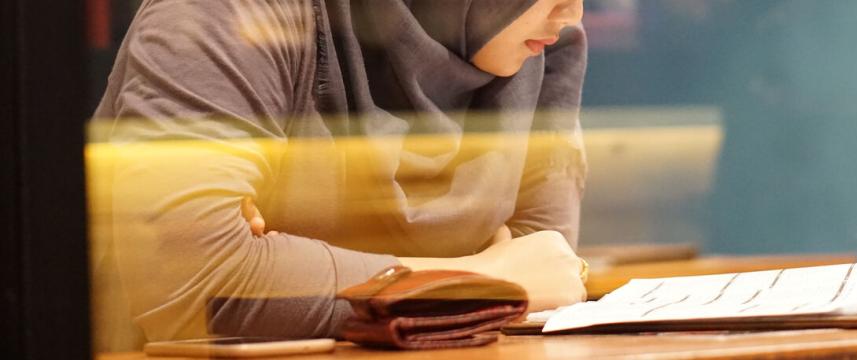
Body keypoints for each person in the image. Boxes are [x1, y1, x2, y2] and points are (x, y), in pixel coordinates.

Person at [91, 0, 588, 343]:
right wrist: (478, 281)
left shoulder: (539, 48)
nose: (573, 12)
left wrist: (288, 271)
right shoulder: (231, 13)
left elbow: (548, 266)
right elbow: (195, 284)